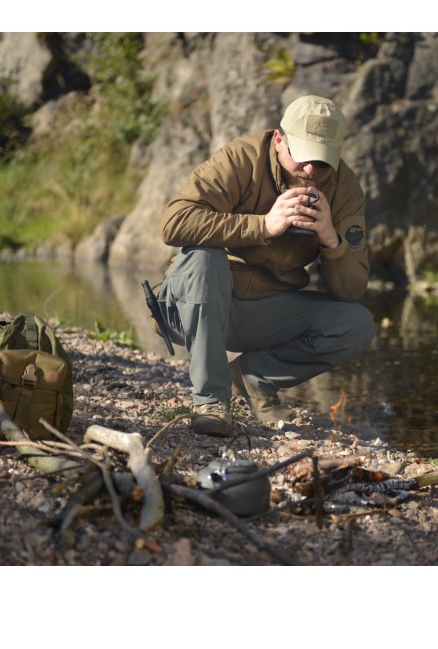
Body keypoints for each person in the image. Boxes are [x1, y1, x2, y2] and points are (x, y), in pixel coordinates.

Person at [155, 95, 375, 436]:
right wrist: (263, 226)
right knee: (203, 256)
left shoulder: (344, 188)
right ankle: (211, 402)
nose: (311, 171)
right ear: (278, 140)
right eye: (303, 157)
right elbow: (174, 222)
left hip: (262, 314)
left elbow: (351, 291)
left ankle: (254, 377)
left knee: (356, 324)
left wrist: (332, 241)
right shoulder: (241, 159)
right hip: (191, 306)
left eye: (322, 162)